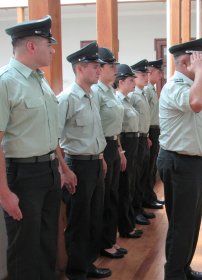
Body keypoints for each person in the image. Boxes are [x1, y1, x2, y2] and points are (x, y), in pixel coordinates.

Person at [0, 16, 76, 280]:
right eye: (48, 43)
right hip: (22, 175)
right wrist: (4, 192)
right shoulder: (5, 82)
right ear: (31, 46)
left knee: (46, 242)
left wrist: (63, 168)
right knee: (25, 250)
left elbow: (48, 131)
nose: (52, 49)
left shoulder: (40, 80)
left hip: (48, 170)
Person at [157, 37, 202, 280]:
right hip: (179, 163)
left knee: (192, 222)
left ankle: (184, 268)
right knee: (182, 224)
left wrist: (198, 73)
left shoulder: (190, 84)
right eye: (198, 61)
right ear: (184, 62)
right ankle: (174, 274)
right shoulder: (174, 87)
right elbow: (197, 103)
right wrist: (200, 73)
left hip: (193, 163)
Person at [58, 42, 111, 279]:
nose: (99, 70)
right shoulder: (67, 98)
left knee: (93, 217)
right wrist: (64, 170)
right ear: (80, 68)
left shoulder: (91, 96)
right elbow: (54, 139)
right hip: (76, 165)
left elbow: (95, 134)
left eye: (99, 67)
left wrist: (101, 158)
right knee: (78, 220)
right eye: (94, 66)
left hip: (94, 163)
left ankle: (88, 264)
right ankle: (77, 270)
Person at [92, 47, 127, 259]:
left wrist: (121, 150)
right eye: (111, 66)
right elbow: (95, 125)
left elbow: (116, 125)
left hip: (113, 145)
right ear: (101, 68)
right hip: (102, 147)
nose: (115, 70)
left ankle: (110, 240)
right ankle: (104, 244)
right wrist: (101, 154)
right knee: (103, 198)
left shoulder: (111, 91)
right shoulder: (96, 92)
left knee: (113, 195)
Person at [129, 59, 160, 227]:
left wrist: (146, 135)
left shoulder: (142, 93)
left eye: (147, 74)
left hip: (144, 135)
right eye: (142, 74)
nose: (146, 77)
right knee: (137, 176)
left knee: (145, 172)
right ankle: (136, 209)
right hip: (135, 137)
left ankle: (141, 205)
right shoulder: (133, 95)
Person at [114, 64, 144, 239]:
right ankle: (125, 226)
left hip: (134, 141)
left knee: (131, 183)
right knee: (125, 186)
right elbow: (117, 129)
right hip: (125, 142)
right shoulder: (118, 100)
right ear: (121, 82)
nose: (134, 82)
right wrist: (121, 150)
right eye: (130, 80)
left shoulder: (128, 100)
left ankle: (129, 221)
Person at [144, 59, 165, 207]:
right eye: (158, 72)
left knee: (152, 167)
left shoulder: (151, 89)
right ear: (150, 72)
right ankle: (147, 198)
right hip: (149, 130)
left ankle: (150, 196)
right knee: (148, 167)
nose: (161, 75)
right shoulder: (146, 90)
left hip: (154, 129)